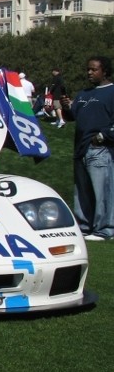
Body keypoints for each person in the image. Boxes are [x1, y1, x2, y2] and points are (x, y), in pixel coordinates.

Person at [70, 56, 114, 240]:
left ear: (104, 71)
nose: (89, 72)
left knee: (101, 190)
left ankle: (104, 229)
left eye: (94, 69)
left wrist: (103, 136)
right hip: (80, 148)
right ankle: (84, 226)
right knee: (82, 191)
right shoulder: (83, 94)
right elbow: (73, 116)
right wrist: (66, 108)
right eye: (88, 69)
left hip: (100, 149)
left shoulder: (111, 92)